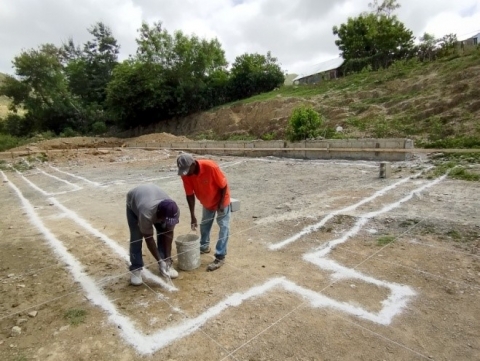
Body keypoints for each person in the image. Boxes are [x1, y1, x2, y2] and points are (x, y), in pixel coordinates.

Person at [177, 153, 231, 272]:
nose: (185, 173)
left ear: (193, 164)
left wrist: (221, 204)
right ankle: (204, 246)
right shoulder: (185, 174)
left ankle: (220, 256)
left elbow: (224, 185)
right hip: (207, 201)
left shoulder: (210, 167)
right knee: (205, 224)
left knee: (224, 226)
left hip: (222, 199)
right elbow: (189, 195)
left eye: (186, 170)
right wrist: (192, 216)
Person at [126, 184, 180, 285]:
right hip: (134, 203)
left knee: (164, 230)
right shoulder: (146, 213)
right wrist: (159, 261)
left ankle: (166, 264)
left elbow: (169, 233)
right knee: (136, 236)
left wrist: (167, 258)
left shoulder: (174, 210)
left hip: (152, 198)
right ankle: (136, 268)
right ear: (159, 213)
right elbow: (149, 238)